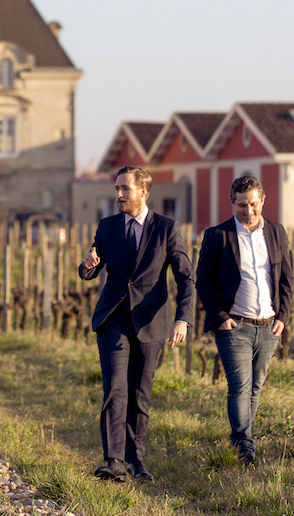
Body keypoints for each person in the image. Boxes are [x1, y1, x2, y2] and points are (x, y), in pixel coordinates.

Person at [78, 165, 195, 483]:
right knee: (115, 388)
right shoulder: (107, 226)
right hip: (113, 317)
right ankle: (113, 460)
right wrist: (87, 265)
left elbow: (185, 277)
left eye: (124, 189)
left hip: (151, 321)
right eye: (116, 189)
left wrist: (183, 318)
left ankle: (136, 460)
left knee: (140, 393)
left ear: (143, 191)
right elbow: (91, 265)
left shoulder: (167, 229)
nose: (118, 195)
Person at [196, 175, 293, 466]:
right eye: (241, 205)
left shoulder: (276, 232)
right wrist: (219, 317)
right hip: (234, 325)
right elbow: (203, 282)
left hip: (268, 324)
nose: (248, 211)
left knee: (257, 385)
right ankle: (243, 444)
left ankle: (244, 437)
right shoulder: (217, 235)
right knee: (239, 384)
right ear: (231, 203)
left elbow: (287, 278)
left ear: (262, 201)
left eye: (253, 204)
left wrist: (283, 317)